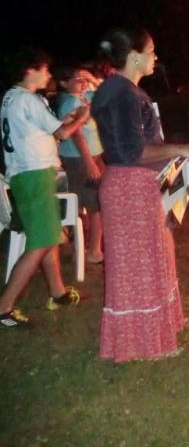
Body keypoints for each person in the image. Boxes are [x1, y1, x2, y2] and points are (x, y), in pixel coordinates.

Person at [91, 27, 189, 361]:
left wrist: (173, 156)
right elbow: (130, 152)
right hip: (129, 188)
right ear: (134, 56)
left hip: (138, 185)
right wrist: (180, 148)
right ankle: (140, 343)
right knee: (137, 267)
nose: (155, 57)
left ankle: (156, 332)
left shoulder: (125, 91)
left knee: (155, 256)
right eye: (151, 51)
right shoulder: (122, 93)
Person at [0, 48, 93, 329]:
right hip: (34, 175)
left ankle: (58, 293)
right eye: (44, 69)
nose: (49, 74)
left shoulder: (11, 97)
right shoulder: (28, 99)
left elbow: (47, 128)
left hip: (26, 174)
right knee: (41, 241)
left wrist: (71, 117)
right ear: (30, 70)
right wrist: (82, 118)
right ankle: (4, 307)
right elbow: (62, 133)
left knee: (48, 235)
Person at [55, 65, 106, 264]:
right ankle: (93, 251)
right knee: (95, 204)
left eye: (84, 79)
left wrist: (91, 78)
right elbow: (76, 134)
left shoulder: (84, 97)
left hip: (93, 156)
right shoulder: (70, 103)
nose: (83, 82)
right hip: (80, 159)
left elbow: (104, 93)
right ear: (64, 83)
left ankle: (81, 247)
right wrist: (89, 163)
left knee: (89, 203)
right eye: (77, 79)